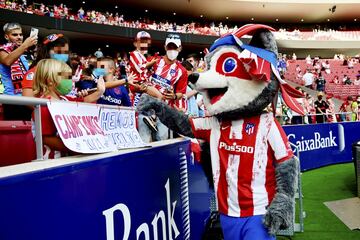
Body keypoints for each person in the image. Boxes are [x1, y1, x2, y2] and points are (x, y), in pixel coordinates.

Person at [33, 59, 105, 159]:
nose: (70, 81)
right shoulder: (43, 105)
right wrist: (75, 147)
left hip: (69, 158)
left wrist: (99, 92)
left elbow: (84, 101)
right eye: (66, 77)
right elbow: (45, 138)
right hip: (52, 161)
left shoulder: (65, 99)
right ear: (50, 81)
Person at [138, 33, 188, 142]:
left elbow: (181, 92)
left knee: (162, 140)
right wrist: (143, 86)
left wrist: (174, 96)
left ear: (180, 48)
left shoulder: (182, 71)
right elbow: (140, 76)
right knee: (144, 140)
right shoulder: (154, 60)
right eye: (169, 47)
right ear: (165, 47)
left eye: (175, 47)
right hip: (146, 106)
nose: (172, 50)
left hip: (164, 110)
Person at [0, 22, 37, 120]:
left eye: (21, 34)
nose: (19, 37)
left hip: (26, 98)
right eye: (15, 34)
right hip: (12, 100)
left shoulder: (23, 54)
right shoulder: (2, 50)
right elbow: (7, 61)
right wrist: (25, 46)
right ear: (6, 36)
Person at [128, 31, 162, 107]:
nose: (144, 44)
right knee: (159, 96)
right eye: (142, 41)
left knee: (138, 106)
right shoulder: (134, 54)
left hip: (142, 84)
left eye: (146, 42)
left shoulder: (142, 56)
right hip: (138, 83)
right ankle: (154, 116)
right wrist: (152, 63)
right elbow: (140, 68)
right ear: (135, 43)